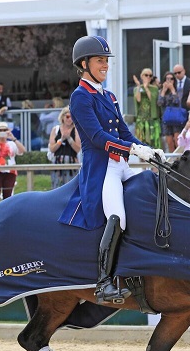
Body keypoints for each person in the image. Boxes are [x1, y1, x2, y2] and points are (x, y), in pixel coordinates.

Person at [59, 35, 162, 304]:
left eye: (106, 60)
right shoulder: (81, 97)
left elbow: (125, 133)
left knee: (152, 194)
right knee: (118, 217)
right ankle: (103, 282)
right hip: (103, 168)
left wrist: (147, 149)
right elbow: (96, 137)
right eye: (99, 60)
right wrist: (132, 150)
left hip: (122, 165)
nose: (105, 65)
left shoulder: (110, 95)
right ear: (84, 64)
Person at [47, 106, 81, 189]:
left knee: (71, 188)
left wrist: (69, 138)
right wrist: (61, 139)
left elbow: (78, 149)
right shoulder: (55, 129)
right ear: (62, 117)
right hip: (57, 162)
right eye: (67, 117)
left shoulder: (76, 130)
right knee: (56, 186)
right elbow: (52, 148)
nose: (69, 119)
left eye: (72, 117)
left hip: (71, 162)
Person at [132, 68, 161, 147]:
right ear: (142, 76)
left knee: (153, 142)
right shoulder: (137, 88)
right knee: (141, 143)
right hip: (141, 118)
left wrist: (146, 88)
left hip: (152, 119)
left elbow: (153, 99)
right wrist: (139, 86)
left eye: (150, 75)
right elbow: (138, 99)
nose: (148, 77)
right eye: (146, 75)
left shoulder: (154, 88)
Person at [157, 71, 182, 153]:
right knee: (169, 142)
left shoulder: (178, 90)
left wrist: (172, 90)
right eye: (167, 79)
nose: (169, 81)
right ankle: (173, 162)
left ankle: (180, 161)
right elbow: (160, 103)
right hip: (166, 119)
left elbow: (177, 101)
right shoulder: (161, 91)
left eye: (171, 79)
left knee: (177, 140)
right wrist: (163, 91)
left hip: (176, 118)